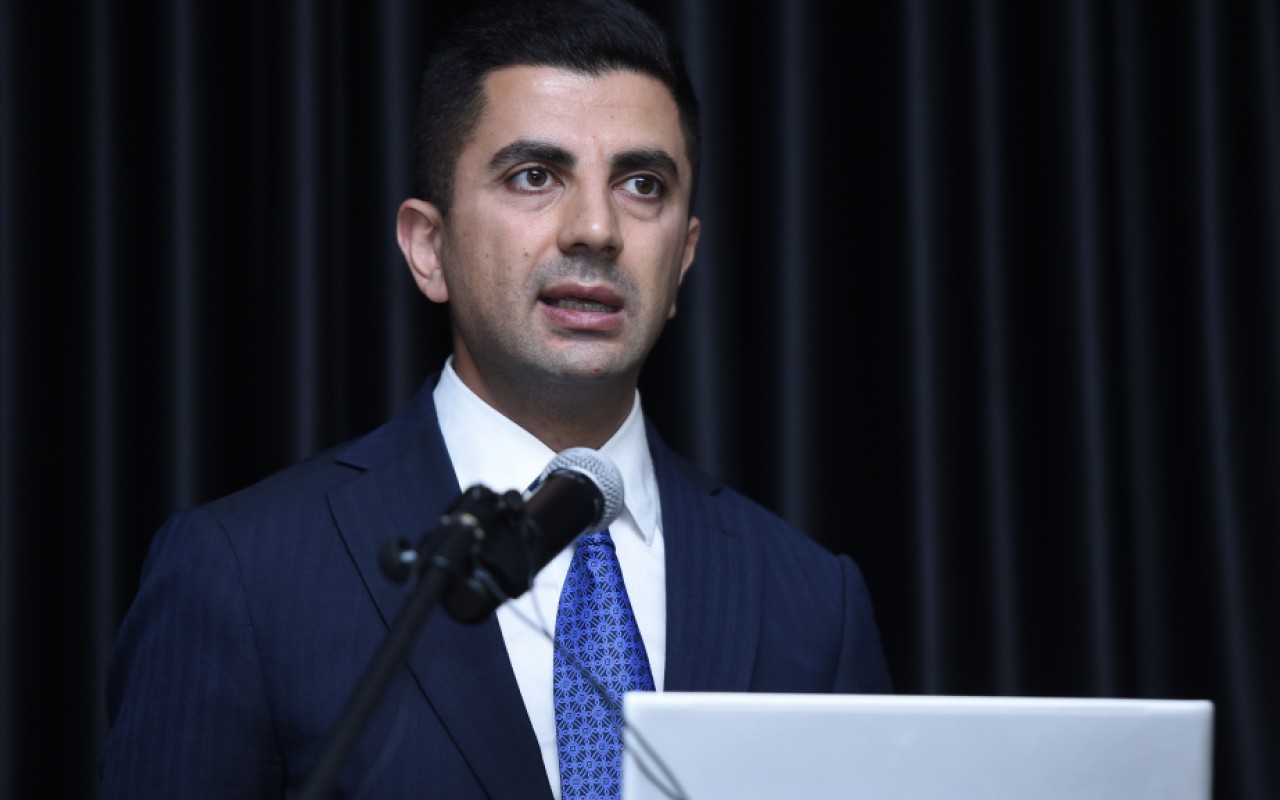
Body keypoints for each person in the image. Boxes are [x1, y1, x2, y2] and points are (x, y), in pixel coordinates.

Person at [99, 0, 892, 797]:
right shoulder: (241, 573)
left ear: (683, 258)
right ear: (429, 248)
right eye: (534, 176)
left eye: (642, 184)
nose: (596, 229)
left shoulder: (813, 602)